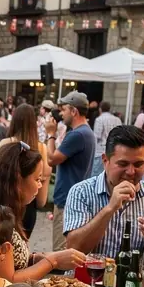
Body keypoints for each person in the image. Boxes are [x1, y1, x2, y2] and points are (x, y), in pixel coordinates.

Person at [0, 143, 86, 280]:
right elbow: (7, 281)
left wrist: (36, 258)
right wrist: (53, 261)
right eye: (37, 179)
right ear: (17, 181)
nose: (40, 185)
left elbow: (12, 262)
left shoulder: (0, 212)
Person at [62, 125, 144, 259]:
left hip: (131, 279)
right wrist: (109, 208)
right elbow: (74, 248)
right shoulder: (81, 192)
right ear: (105, 161)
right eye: (123, 164)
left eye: (138, 164)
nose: (131, 172)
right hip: (87, 279)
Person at [45, 91, 95, 250]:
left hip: (67, 200)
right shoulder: (85, 132)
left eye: (64, 109)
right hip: (73, 198)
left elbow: (52, 159)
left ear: (74, 111)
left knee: (61, 253)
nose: (61, 113)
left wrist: (51, 134)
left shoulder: (78, 134)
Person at [3, 102, 51, 234]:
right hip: (29, 209)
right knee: (22, 249)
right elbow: (42, 199)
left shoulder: (6, 144)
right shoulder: (42, 148)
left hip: (6, 205)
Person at [92, 101, 118, 177]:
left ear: (100, 109)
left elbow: (97, 136)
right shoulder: (117, 119)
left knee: (96, 176)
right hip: (114, 150)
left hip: (101, 151)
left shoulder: (99, 119)